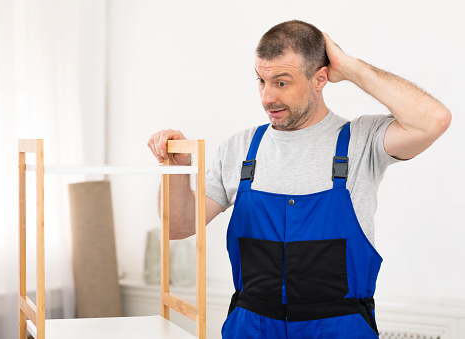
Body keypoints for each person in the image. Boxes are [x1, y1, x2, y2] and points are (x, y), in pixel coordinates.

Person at [147, 20, 451, 339]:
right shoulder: (240, 149)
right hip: (251, 329)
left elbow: (433, 120)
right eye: (261, 81)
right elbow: (178, 227)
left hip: (339, 329)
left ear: (320, 78)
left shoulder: (362, 141)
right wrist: (177, 170)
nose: (266, 98)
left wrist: (349, 67)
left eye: (281, 83)